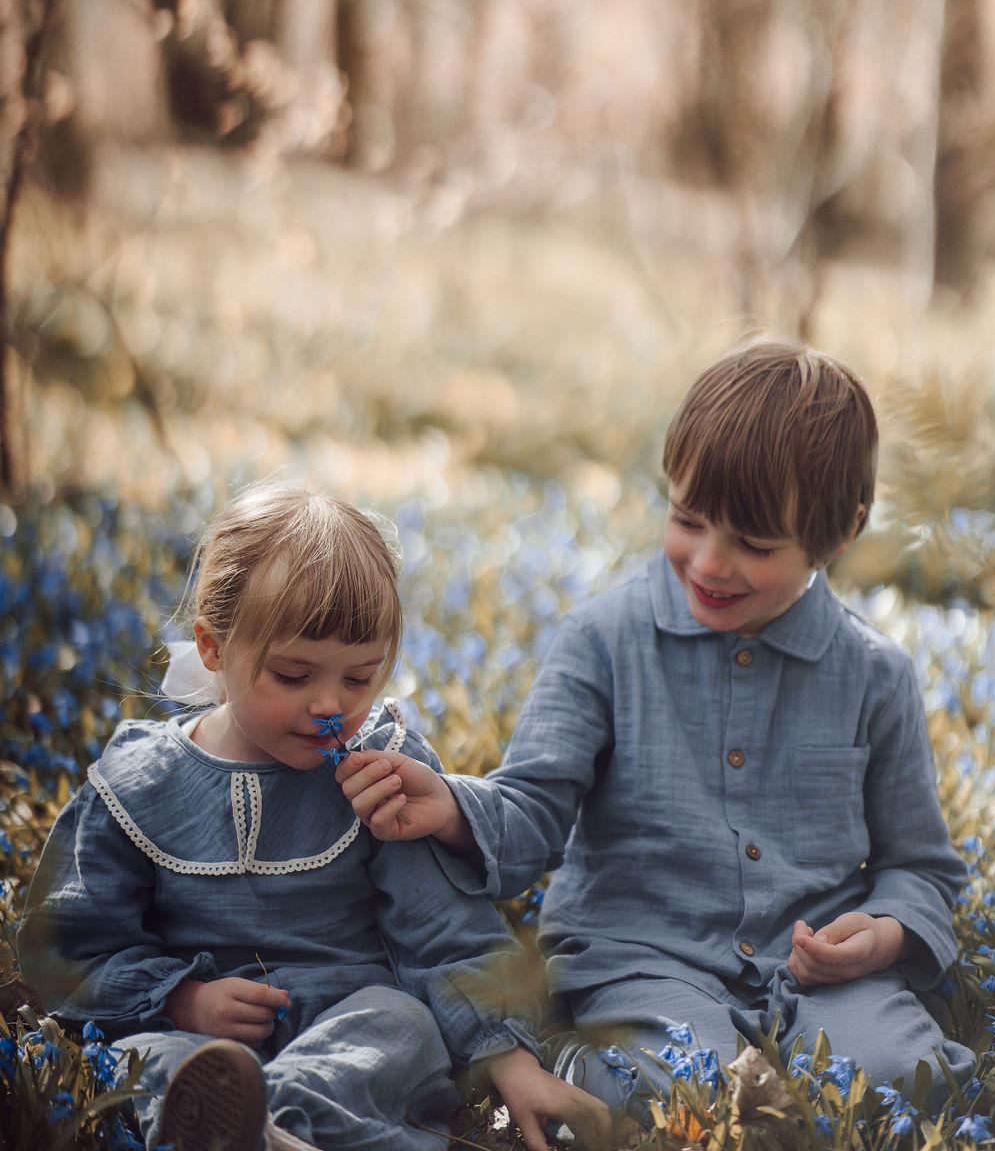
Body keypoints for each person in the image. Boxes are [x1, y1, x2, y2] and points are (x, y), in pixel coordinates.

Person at [338, 342, 975, 1115]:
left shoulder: (876, 674)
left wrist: (883, 932)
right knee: (690, 1087)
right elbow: (533, 808)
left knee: (909, 1078)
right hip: (641, 958)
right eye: (687, 520)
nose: (709, 562)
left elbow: (920, 866)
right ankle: (582, 1064)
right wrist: (451, 806)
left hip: (820, 970)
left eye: (754, 544)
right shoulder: (604, 639)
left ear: (840, 535)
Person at [19, 483, 612, 1151]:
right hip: (197, 1031)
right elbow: (73, 946)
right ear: (212, 648)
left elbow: (443, 932)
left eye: (358, 679)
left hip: (347, 1019)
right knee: (151, 1056)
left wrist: (512, 1061)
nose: (329, 705)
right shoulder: (141, 782)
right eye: (293, 676)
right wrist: (184, 1000)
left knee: (400, 1025)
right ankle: (230, 1115)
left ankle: (271, 1125)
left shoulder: (381, 771)